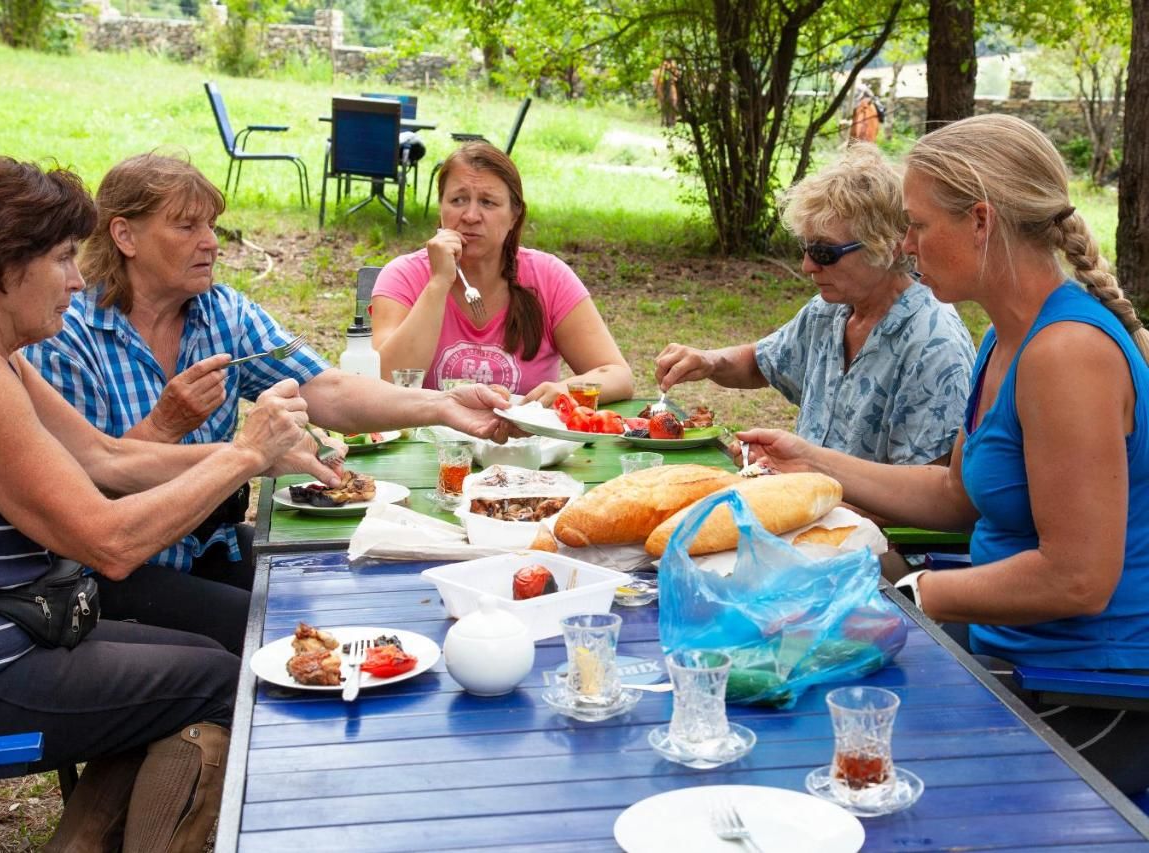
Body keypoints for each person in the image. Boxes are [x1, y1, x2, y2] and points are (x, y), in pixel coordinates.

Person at [0, 155, 320, 850]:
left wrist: (265, 456)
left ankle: (80, 840)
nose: (78, 279)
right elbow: (109, 544)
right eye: (58, 259)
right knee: (227, 677)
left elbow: (104, 457)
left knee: (197, 652)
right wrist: (241, 456)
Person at [736, 114, 1149, 794]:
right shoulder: (1006, 337)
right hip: (1008, 654)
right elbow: (955, 496)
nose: (904, 243)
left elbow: (1079, 578)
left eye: (918, 225)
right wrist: (814, 461)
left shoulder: (1067, 353)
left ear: (981, 222)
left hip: (1084, 692)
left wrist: (911, 593)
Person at [23, 152, 512, 654]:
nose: (211, 243)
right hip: (106, 571)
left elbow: (329, 389)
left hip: (204, 543)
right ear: (125, 236)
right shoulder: (67, 334)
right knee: (279, 632)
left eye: (211, 225)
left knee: (339, 589)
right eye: (187, 226)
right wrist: (171, 427)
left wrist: (442, 404)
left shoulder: (221, 312)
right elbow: (90, 484)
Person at [656, 143, 975, 467]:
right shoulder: (830, 311)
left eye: (825, 253)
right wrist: (709, 361)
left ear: (888, 248)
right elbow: (762, 361)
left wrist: (797, 480)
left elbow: (927, 496)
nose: (808, 265)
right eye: (806, 248)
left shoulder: (933, 346)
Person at [370, 141, 634, 407]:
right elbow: (382, 382)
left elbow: (617, 374)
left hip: (524, 444)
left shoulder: (549, 277)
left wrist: (566, 390)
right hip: (429, 445)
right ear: (441, 207)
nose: (471, 215)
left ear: (514, 216)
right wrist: (438, 284)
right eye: (458, 200)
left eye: (488, 202)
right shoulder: (404, 275)